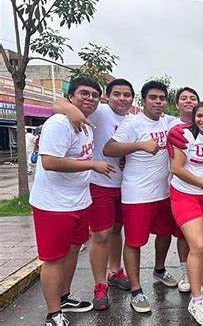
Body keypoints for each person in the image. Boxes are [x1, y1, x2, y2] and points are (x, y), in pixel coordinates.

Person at [29, 77, 114, 325]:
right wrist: (92, 165)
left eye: (94, 95)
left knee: (73, 250)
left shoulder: (86, 124)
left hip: (79, 201)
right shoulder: (59, 123)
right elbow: (50, 162)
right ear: (71, 97)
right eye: (83, 94)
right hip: (53, 205)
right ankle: (53, 313)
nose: (89, 99)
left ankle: (64, 297)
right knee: (53, 258)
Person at [52, 79, 135, 311]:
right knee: (101, 235)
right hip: (99, 183)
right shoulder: (99, 111)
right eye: (116, 94)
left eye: (127, 95)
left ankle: (115, 272)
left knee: (117, 230)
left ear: (132, 99)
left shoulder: (133, 120)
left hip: (125, 185)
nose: (122, 99)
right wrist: (69, 108)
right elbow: (57, 104)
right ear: (107, 97)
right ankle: (100, 285)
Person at [103, 80, 179, 313]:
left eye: (161, 98)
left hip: (164, 191)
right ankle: (136, 291)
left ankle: (159, 269)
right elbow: (109, 149)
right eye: (153, 98)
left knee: (166, 233)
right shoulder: (133, 122)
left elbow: (193, 117)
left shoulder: (169, 121)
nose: (158, 102)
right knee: (134, 241)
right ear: (143, 101)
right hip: (137, 194)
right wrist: (139, 146)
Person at [170, 100, 203, 325]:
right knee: (199, 246)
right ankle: (196, 299)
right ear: (194, 117)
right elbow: (177, 168)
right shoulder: (185, 135)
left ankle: (199, 293)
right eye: (199, 115)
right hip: (185, 195)